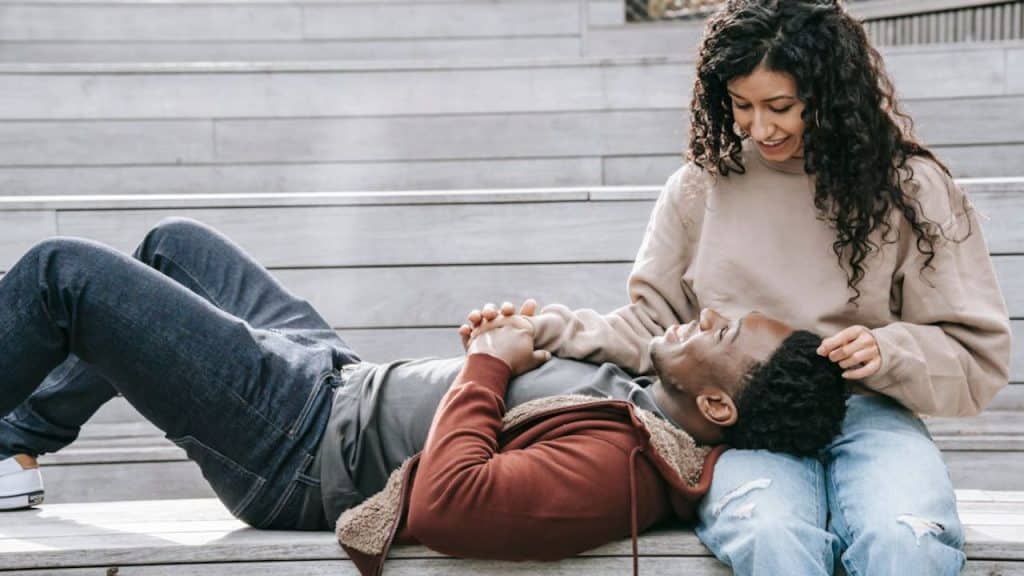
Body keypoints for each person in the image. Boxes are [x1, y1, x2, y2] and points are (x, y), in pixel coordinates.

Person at [467, 1, 1012, 574]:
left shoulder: (910, 189)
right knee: (770, 534)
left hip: (868, 410)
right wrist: (540, 329)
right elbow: (654, 328)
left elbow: (975, 353)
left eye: (781, 106)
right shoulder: (699, 187)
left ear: (831, 93)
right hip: (740, 427)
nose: (760, 128)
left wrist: (887, 351)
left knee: (905, 539)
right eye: (741, 104)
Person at [0, 217, 849, 570]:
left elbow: (451, 501)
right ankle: (18, 444)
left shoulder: (619, 470)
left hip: (294, 447)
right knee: (174, 245)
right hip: (334, 376)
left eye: (724, 335)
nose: (708, 317)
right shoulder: (645, 398)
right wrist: (512, 349)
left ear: (719, 409)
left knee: (63, 275)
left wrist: (488, 364)